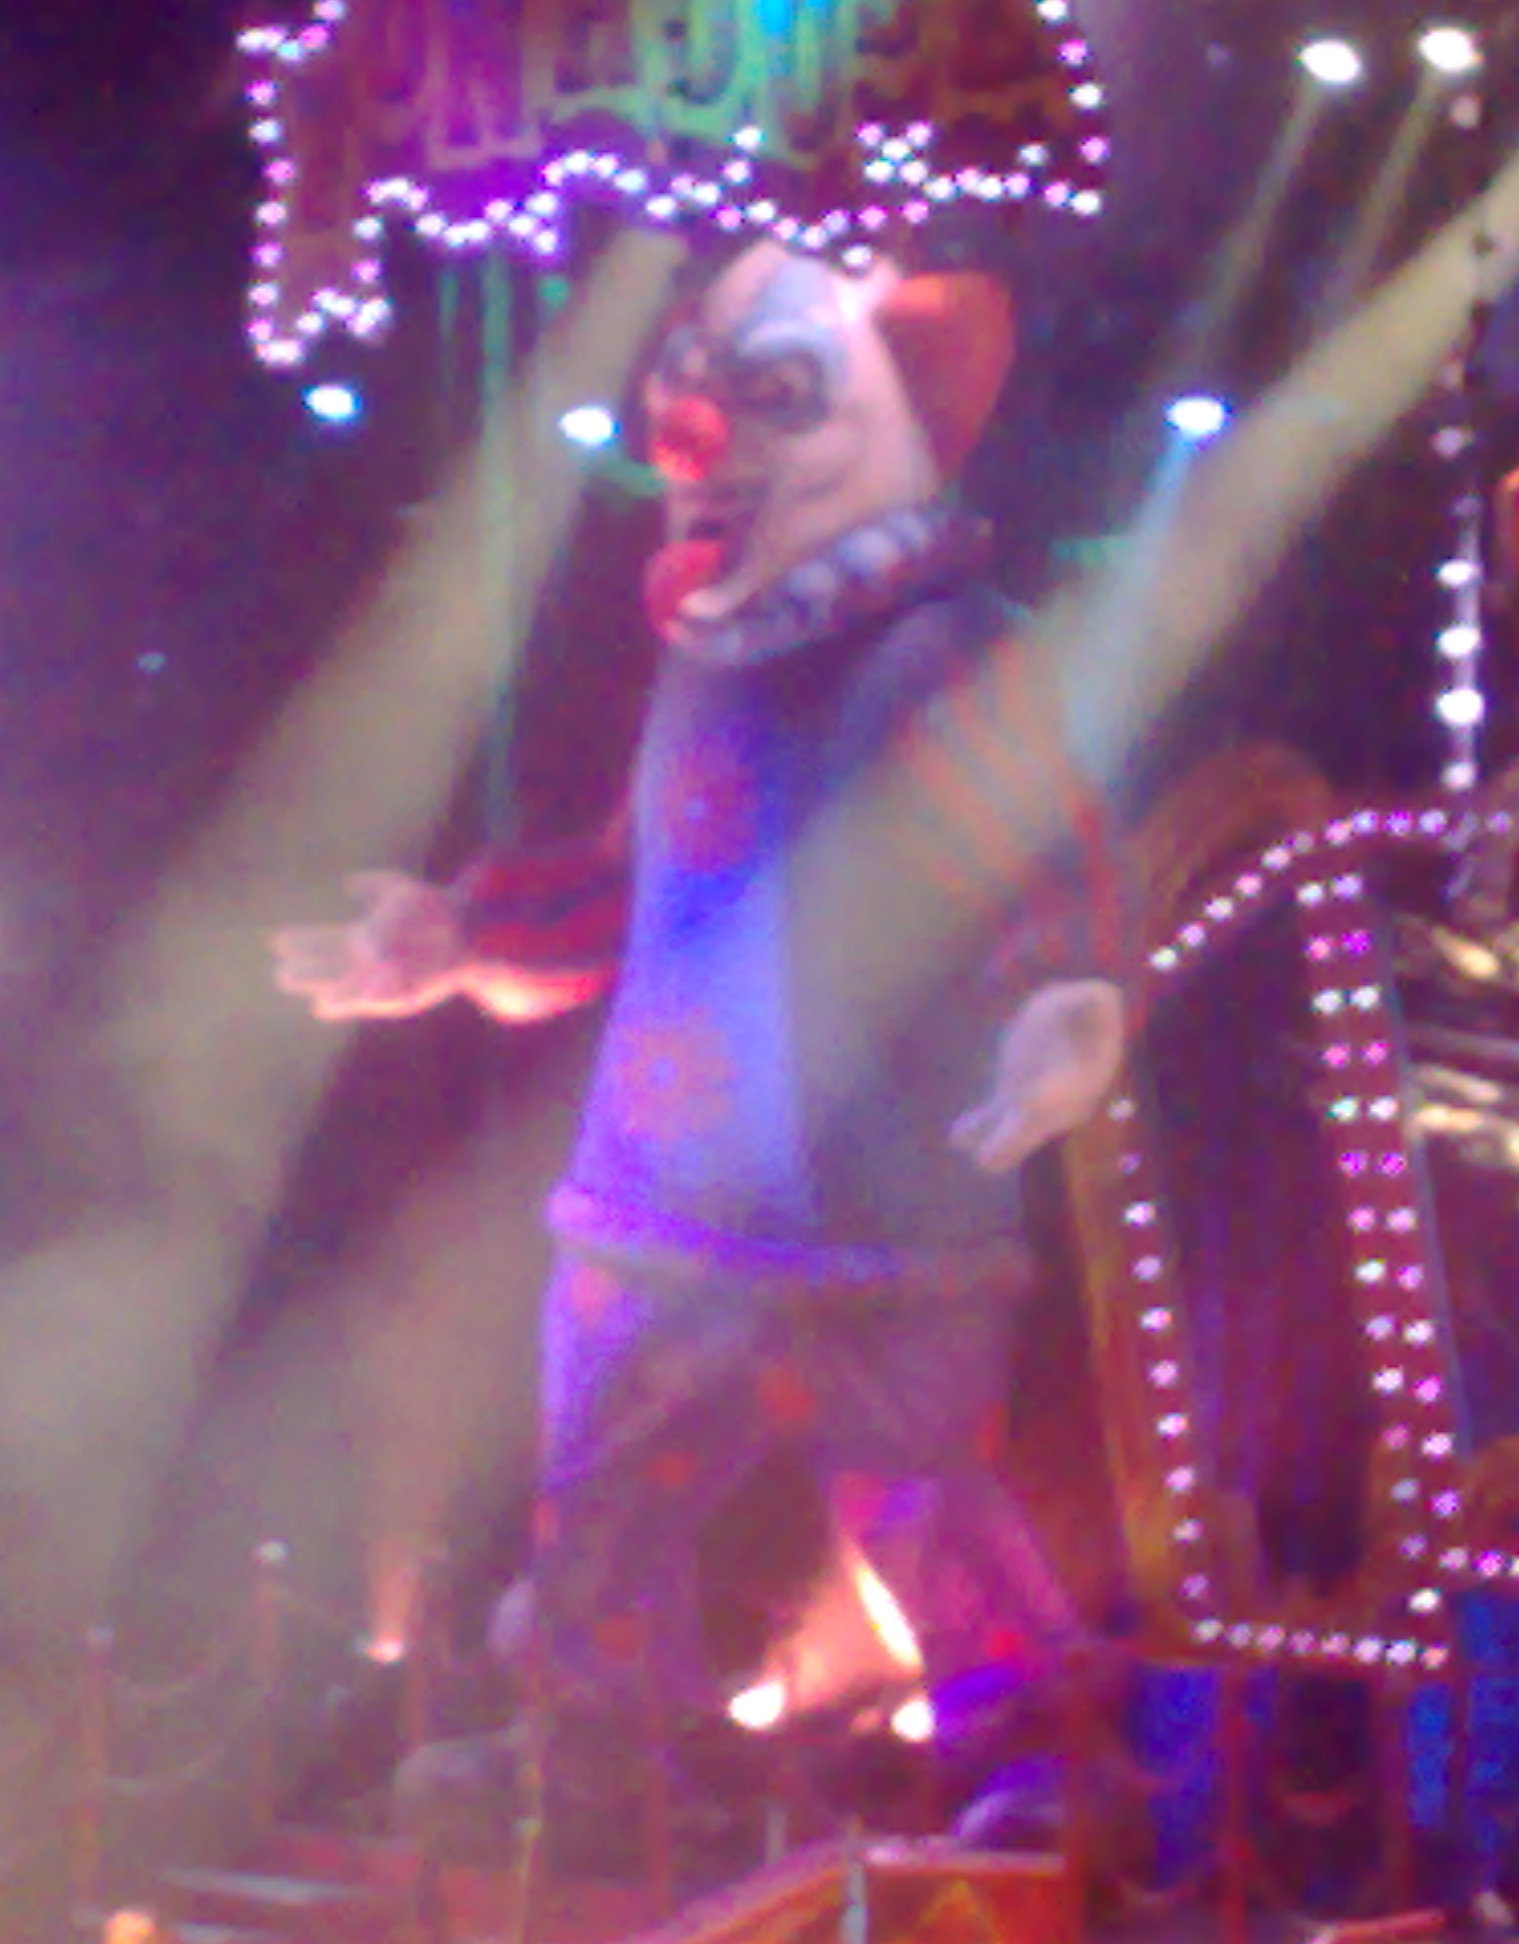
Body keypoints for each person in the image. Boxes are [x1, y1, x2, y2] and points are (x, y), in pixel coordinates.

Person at [272, 241, 1129, 1840]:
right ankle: (590, 1758)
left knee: (921, 1490)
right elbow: (629, 890)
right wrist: (458, 936)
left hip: (879, 1201)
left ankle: (1042, 1761)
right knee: (600, 1506)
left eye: (776, 394)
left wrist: (1066, 1003)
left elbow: (1037, 862)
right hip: (658, 1196)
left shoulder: (945, 651)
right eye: (694, 389)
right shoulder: (703, 667)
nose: (698, 437)